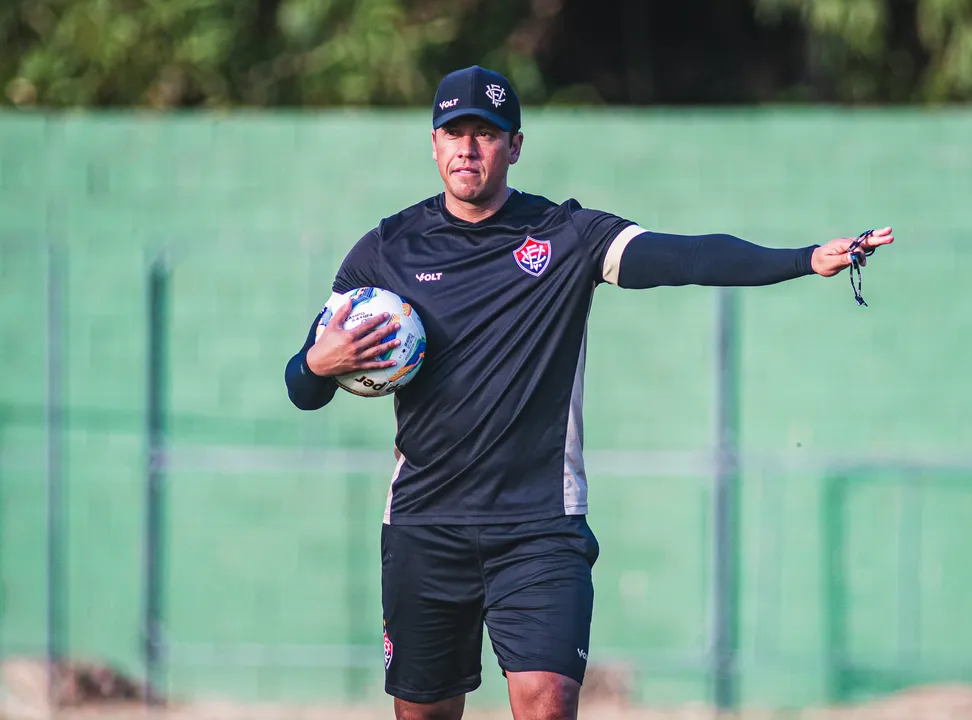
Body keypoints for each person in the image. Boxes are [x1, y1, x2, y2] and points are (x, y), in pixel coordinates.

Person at [284, 65, 894, 720]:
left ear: (514, 146)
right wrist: (319, 364)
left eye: (485, 134)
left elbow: (684, 257)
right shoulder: (386, 251)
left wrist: (803, 258)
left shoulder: (564, 237)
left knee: (547, 703)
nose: (468, 147)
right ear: (433, 142)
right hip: (425, 525)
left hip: (540, 526)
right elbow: (303, 389)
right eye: (453, 131)